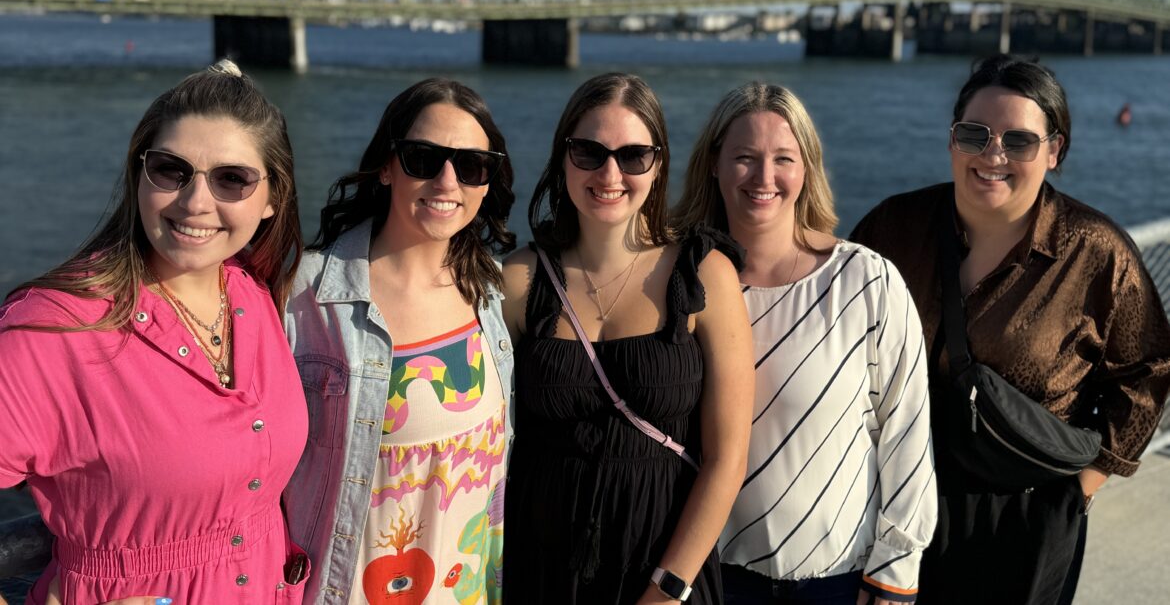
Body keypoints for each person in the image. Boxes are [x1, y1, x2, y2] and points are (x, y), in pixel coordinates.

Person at [850, 54, 1170, 605]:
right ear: (953, 141)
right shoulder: (894, 227)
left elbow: (1149, 371)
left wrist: (1083, 485)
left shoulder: (1096, 252)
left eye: (1019, 141)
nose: (992, 154)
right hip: (894, 499)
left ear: (1054, 151)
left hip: (1026, 514)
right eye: (975, 134)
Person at [0, 60, 308, 604]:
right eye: (171, 170)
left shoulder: (253, 296)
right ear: (138, 175)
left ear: (271, 201)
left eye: (232, 179)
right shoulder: (54, 330)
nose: (195, 202)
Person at [673, 83, 936, 605]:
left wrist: (894, 577)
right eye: (744, 157)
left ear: (807, 168)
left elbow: (907, 433)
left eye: (782, 159)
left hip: (836, 583)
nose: (763, 177)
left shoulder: (866, 281)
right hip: (709, 582)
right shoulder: (677, 283)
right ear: (714, 165)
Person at [501, 72, 754, 604]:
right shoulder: (520, 281)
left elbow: (727, 458)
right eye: (588, 152)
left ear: (658, 166)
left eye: (634, 155)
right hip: (541, 567)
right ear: (562, 158)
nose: (610, 173)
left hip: (662, 567)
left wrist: (667, 589)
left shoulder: (703, 273)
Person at [283, 78, 516, 605]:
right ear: (387, 166)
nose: (447, 181)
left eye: (471, 165)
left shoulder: (494, 295)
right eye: (423, 158)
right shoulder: (303, 296)